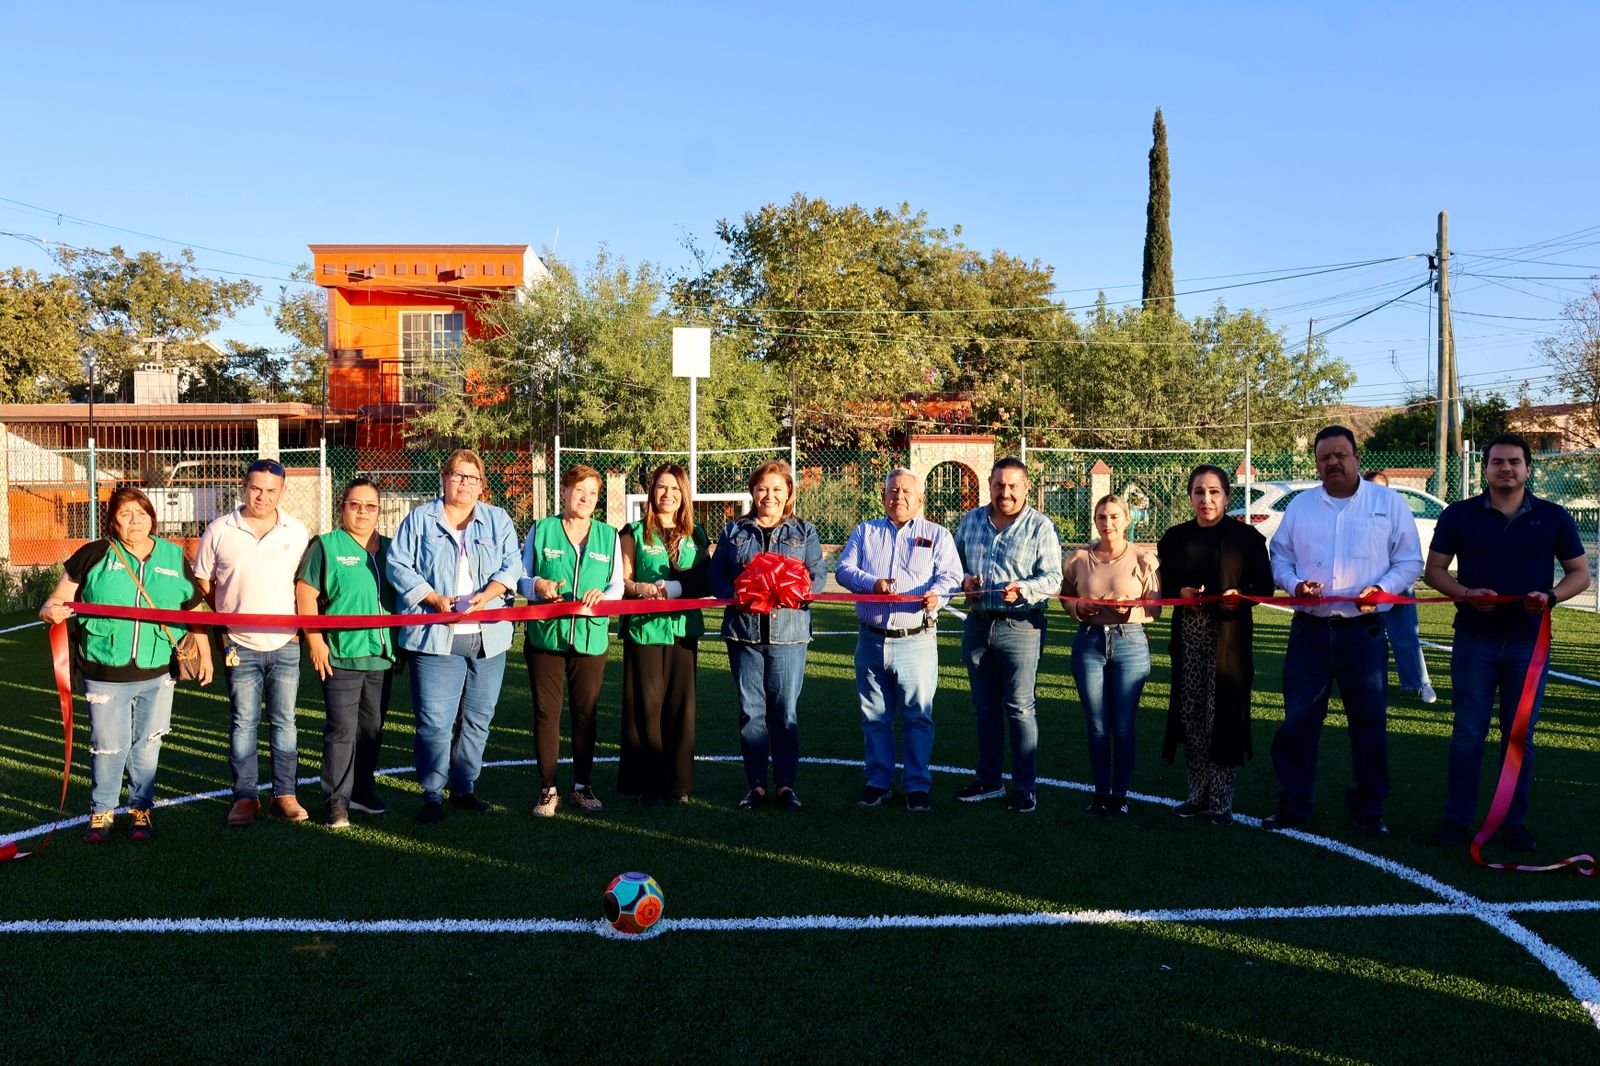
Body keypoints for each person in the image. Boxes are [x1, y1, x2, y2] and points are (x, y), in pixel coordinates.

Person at [1424, 433, 1591, 851]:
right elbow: (1435, 571)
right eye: (1497, 462)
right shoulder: (1459, 515)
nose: (1506, 469)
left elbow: (1579, 574)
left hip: (1528, 644)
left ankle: (1513, 820)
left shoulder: (1554, 517)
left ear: (1528, 469)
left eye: (1514, 462)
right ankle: (1456, 818)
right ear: (1484, 469)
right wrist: (1464, 594)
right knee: (1468, 733)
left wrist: (1550, 597)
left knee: (1520, 736)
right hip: (1475, 640)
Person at [1263, 426, 1424, 839]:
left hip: (1363, 633)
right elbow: (1279, 556)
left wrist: (1383, 591)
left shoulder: (1388, 504)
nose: (1332, 463)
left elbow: (1409, 561)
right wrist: (1294, 584)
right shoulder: (1301, 506)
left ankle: (1369, 809)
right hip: (1310, 633)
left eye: (1340, 455)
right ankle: (1294, 804)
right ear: (1316, 462)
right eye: (1324, 458)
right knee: (1298, 723)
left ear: (1356, 457)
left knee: (1369, 725)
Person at [38, 487, 213, 842]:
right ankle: (101, 813)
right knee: (109, 744)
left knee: (149, 743)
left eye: (141, 512)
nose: (135, 520)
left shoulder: (173, 556)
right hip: (105, 670)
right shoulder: (94, 554)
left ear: (152, 516)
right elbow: (54, 602)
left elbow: (194, 610)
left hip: (158, 670)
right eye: (125, 514)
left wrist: (206, 655)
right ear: (112, 521)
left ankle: (140, 810)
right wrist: (50, 612)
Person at [387, 449, 522, 824]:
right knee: (434, 720)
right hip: (435, 636)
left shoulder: (497, 520)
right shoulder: (420, 519)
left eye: (472, 478)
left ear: (482, 485)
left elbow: (513, 563)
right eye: (458, 476)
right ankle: (432, 793)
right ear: (444, 478)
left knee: (479, 718)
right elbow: (398, 564)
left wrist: (488, 593)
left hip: (488, 637)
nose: (464, 483)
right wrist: (432, 598)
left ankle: (464, 787)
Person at [835, 467, 962, 812]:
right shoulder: (866, 531)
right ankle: (878, 782)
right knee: (874, 715)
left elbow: (952, 575)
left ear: (921, 499)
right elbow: (843, 570)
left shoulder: (937, 535)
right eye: (893, 491)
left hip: (916, 640)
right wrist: (872, 583)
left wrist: (939, 594)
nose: (899, 497)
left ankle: (917, 785)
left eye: (907, 492)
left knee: (918, 716)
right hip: (871, 641)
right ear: (884, 496)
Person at [194, 457, 311, 827]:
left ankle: (284, 794)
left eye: (271, 490)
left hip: (287, 644)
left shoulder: (297, 531)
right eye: (256, 488)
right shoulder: (218, 530)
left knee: (285, 722)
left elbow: (303, 586)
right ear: (244, 485)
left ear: (282, 491)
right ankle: (245, 797)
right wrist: (225, 626)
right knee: (243, 722)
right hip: (239, 646)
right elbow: (202, 584)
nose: (262, 496)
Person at [1156, 465, 1275, 826]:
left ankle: (1222, 802)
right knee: (1192, 717)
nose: (1206, 500)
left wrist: (1238, 597)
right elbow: (1165, 585)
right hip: (1189, 639)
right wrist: (1181, 594)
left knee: (1221, 716)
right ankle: (1197, 795)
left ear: (1226, 495)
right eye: (1198, 492)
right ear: (1189, 496)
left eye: (1214, 492)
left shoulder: (1247, 538)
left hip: (1229, 641)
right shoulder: (1175, 538)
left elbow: (1264, 588)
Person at [708, 459, 826, 811]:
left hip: (789, 636)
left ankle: (786, 786)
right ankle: (756, 785)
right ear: (752, 491)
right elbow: (716, 579)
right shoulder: (734, 531)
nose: (769, 496)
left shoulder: (804, 531)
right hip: (744, 635)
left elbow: (817, 576)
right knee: (751, 712)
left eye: (777, 489)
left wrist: (795, 588)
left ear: (789, 491)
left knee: (784, 713)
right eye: (762, 488)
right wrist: (740, 594)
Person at [953, 457, 1064, 814]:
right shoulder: (971, 521)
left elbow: (1053, 579)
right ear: (990, 484)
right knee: (984, 708)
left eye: (1013, 485)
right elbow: (953, 568)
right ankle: (988, 781)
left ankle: (1025, 787)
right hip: (978, 624)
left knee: (1019, 707)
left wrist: (1025, 589)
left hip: (1022, 625)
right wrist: (964, 582)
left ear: (1026, 487)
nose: (1006, 492)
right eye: (1000, 485)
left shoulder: (1040, 527)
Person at [519, 464, 623, 817]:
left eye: (593, 493)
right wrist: (537, 585)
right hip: (546, 637)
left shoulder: (608, 535)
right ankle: (548, 790)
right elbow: (520, 576)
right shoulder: (541, 529)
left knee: (585, 714)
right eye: (580, 490)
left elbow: (618, 585)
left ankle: (582, 787)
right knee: (547, 713)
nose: (586, 498)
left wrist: (604, 594)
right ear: (563, 491)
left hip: (590, 640)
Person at [295, 477, 397, 828]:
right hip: (340, 654)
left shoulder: (391, 548)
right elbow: (305, 593)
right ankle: (336, 801)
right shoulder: (325, 545)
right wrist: (316, 640)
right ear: (343, 507)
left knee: (371, 728)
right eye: (355, 504)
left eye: (371, 506)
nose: (363, 512)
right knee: (341, 729)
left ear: (379, 511)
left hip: (381, 657)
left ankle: (362, 790)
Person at [618, 463, 710, 809]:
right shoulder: (634, 531)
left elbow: (704, 581)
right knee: (647, 707)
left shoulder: (697, 534)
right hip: (644, 630)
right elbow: (622, 582)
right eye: (661, 487)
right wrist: (639, 587)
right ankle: (649, 783)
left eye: (674, 488)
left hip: (684, 630)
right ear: (651, 492)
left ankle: (678, 783)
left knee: (680, 707)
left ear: (683, 493)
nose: (667, 494)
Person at [1061, 493, 1160, 818]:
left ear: (1127, 520)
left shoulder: (1144, 559)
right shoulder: (1078, 559)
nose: (1108, 523)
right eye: (1102, 517)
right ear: (1095, 520)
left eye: (1115, 517)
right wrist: (1079, 607)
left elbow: (1156, 608)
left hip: (1130, 642)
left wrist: (1129, 609)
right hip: (1089, 641)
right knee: (1097, 726)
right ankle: (1101, 793)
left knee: (1123, 725)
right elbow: (1065, 598)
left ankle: (1120, 795)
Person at [1364, 471, 1436, 704]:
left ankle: (1420, 684)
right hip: (1365, 588)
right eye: (1371, 487)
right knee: (1362, 636)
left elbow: (1408, 555)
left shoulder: (1396, 511)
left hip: (1396, 585)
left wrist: (1393, 581)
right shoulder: (1355, 515)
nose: (1377, 493)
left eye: (1381, 488)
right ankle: (1366, 682)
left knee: (1405, 635)